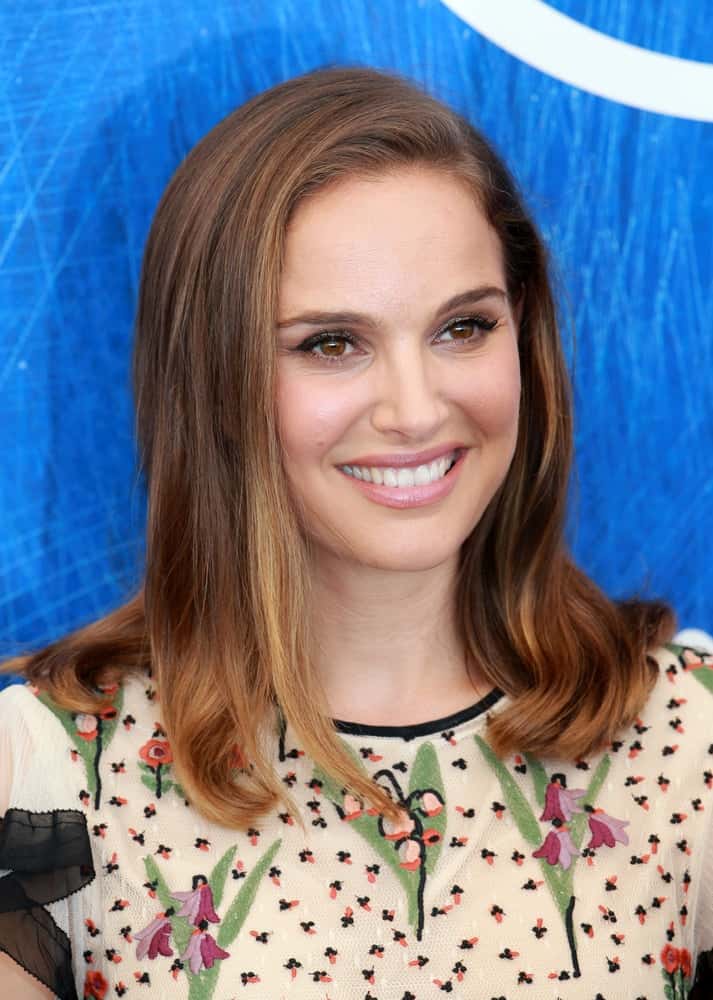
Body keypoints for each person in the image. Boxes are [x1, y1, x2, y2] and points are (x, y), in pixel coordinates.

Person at [0, 64, 710, 1000]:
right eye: (331, 343)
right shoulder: (49, 767)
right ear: (212, 379)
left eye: (462, 327)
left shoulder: (686, 737)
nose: (416, 411)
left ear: (523, 336)